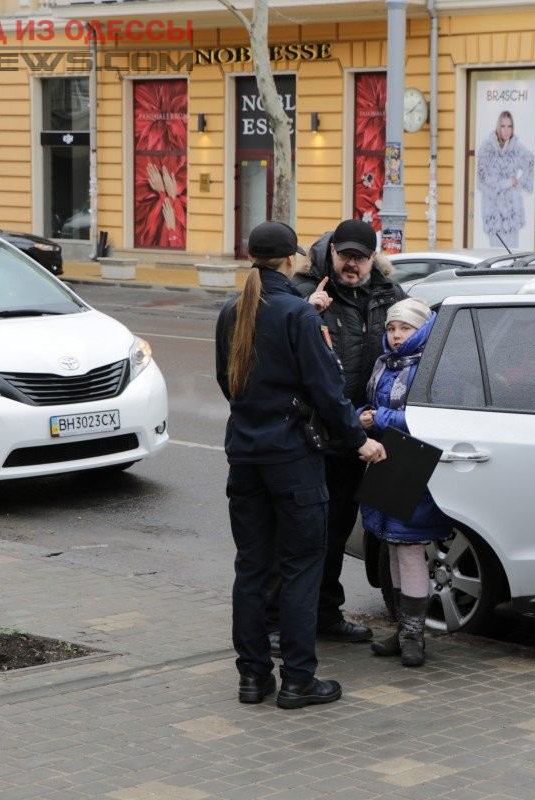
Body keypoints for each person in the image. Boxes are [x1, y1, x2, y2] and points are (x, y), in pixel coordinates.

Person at [215, 220, 386, 709]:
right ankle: (298, 680)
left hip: (245, 457)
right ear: (293, 259)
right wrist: (359, 441)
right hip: (292, 460)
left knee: (252, 569)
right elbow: (327, 393)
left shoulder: (233, 310)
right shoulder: (298, 314)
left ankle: (252, 679)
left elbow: (228, 385)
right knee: (300, 569)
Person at [262, 218, 407, 656]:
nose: (352, 264)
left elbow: (409, 344)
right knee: (297, 533)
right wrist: (312, 307)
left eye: (360, 257)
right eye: (345, 256)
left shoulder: (389, 296)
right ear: (331, 254)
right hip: (312, 436)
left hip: (359, 437)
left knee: (338, 531)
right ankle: (274, 621)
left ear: (371, 259)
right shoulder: (306, 292)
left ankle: (325, 613)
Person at [358, 297, 452, 667]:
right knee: (394, 548)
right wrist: (361, 418)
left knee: (410, 550)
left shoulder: (433, 366)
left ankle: (415, 636)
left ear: (423, 329)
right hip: (385, 465)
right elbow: (370, 407)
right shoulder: (386, 364)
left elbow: (428, 420)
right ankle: (401, 630)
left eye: (406, 329)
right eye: (391, 329)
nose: (396, 336)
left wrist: (375, 418)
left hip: (416, 469)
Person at [475, 110, 535, 248]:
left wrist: (519, 185)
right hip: (493, 213)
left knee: (512, 257)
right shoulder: (487, 149)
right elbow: (482, 181)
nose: (506, 130)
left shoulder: (516, 148)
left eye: (509, 126)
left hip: (511, 212)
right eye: (503, 126)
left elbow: (530, 162)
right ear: (498, 127)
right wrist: (507, 183)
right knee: (496, 256)